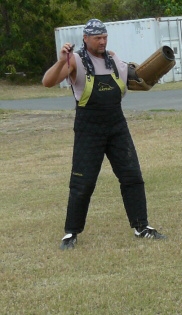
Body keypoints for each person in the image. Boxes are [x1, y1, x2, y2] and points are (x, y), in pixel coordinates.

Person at [42, 19, 166, 250]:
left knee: (132, 177)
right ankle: (71, 233)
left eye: (104, 36)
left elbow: (137, 80)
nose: (102, 41)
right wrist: (60, 61)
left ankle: (141, 226)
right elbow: (47, 82)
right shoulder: (75, 61)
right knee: (83, 182)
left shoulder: (113, 59)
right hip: (89, 129)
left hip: (116, 126)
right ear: (86, 39)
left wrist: (154, 72)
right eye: (97, 37)